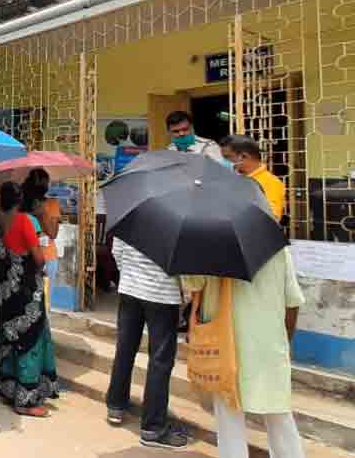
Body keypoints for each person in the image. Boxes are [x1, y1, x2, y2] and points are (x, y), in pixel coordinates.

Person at [182, 249, 306, 458]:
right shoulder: (276, 248)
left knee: (228, 417)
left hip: (224, 346)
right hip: (267, 346)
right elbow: (292, 301)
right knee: (278, 413)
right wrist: (285, 341)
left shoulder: (209, 248)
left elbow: (193, 284)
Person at [106, 236, 188, 449]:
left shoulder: (132, 218)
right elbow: (184, 265)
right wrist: (186, 294)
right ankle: (153, 428)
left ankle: (115, 406)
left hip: (130, 289)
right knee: (160, 361)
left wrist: (131, 274)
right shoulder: (178, 224)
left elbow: (117, 251)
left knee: (125, 349)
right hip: (163, 294)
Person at [0, 181, 58, 418]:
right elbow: (39, 259)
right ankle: (25, 400)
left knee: (7, 337)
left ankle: (6, 386)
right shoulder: (25, 222)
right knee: (30, 341)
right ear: (19, 200)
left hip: (4, 295)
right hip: (26, 295)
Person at [220, 134, 286, 223]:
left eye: (227, 157)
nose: (223, 162)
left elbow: (271, 220)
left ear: (244, 156)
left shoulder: (271, 183)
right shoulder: (231, 179)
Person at [20, 169, 61, 311]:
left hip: (47, 257)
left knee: (44, 302)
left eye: (45, 184)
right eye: (42, 184)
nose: (45, 187)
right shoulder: (22, 205)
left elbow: (52, 233)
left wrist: (41, 213)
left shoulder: (52, 204)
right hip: (27, 257)